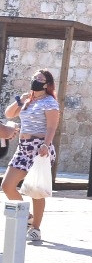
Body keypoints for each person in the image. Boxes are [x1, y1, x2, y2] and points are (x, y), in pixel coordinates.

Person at [2, 68, 60, 245]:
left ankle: (35, 228)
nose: (36, 80)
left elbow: (51, 127)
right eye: (34, 77)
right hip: (23, 147)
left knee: (36, 189)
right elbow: (9, 114)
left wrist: (46, 145)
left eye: (40, 79)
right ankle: (27, 218)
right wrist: (22, 100)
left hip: (39, 147)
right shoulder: (27, 100)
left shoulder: (50, 102)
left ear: (47, 84)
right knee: (7, 186)